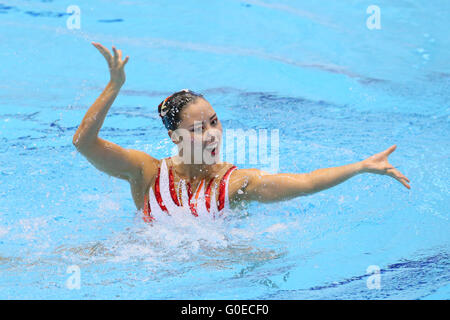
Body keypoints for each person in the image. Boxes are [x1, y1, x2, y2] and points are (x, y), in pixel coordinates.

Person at [73, 43, 410, 222]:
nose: (211, 135)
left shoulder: (235, 184)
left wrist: (360, 167)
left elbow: (306, 183)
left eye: (215, 122)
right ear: (175, 137)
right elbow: (83, 143)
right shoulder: (145, 172)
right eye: (197, 129)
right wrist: (114, 86)